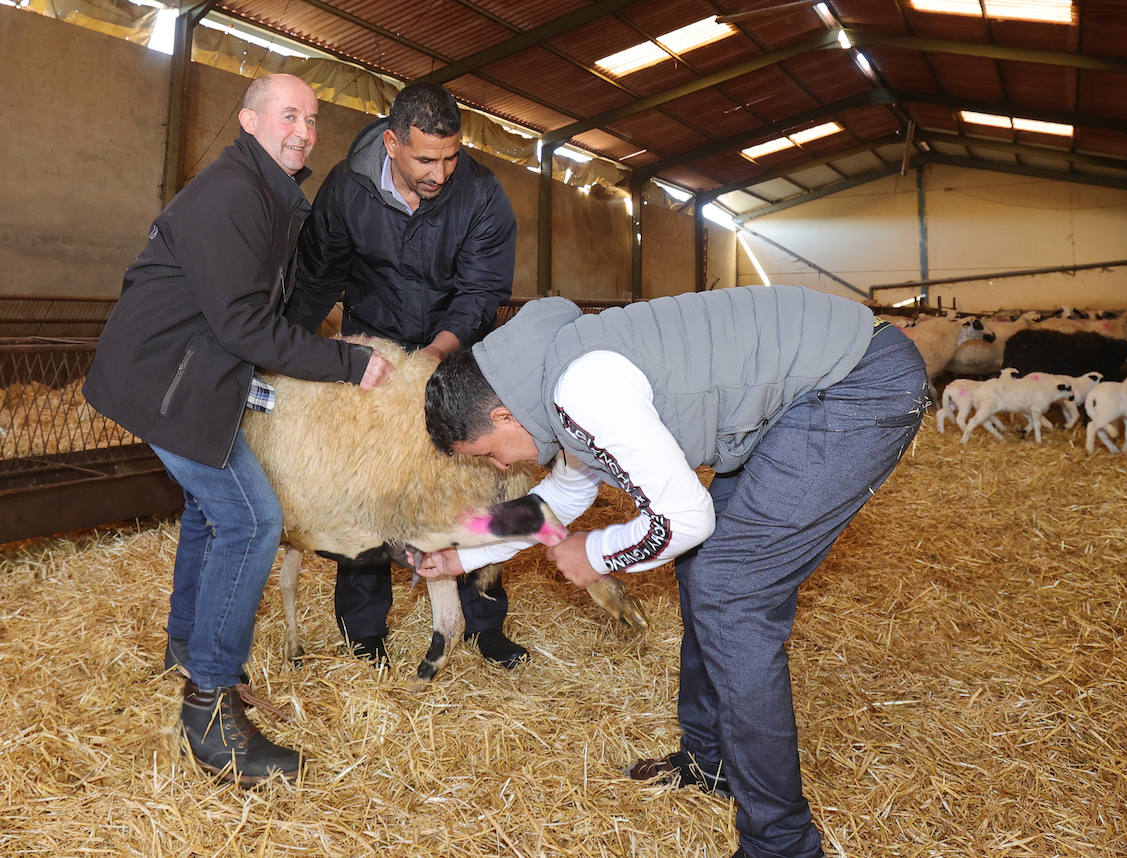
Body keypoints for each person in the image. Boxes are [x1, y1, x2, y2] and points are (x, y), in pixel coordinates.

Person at [417, 285, 927, 858]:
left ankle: (780, 844)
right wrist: (464, 552)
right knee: (707, 573)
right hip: (801, 395)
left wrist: (598, 553)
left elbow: (686, 517)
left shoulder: (584, 389)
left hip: (854, 382)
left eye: (488, 451)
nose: (500, 464)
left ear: (502, 413)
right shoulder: (553, 380)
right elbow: (558, 496)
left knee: (730, 594)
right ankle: (710, 763)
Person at [83, 73, 394, 786]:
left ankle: (187, 653)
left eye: (312, 119)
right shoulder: (234, 195)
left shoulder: (264, 191)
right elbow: (241, 323)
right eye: (289, 115)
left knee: (209, 511)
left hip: (186, 372)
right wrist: (345, 363)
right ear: (251, 121)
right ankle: (210, 711)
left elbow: (247, 312)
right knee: (253, 520)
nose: (304, 131)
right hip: (169, 378)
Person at [284, 82, 524, 669]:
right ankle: (363, 632)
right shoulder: (347, 190)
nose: (440, 172)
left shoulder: (482, 195)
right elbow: (317, 277)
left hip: (457, 353)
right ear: (392, 143)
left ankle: (485, 623)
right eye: (425, 159)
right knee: (367, 485)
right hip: (376, 348)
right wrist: (285, 349)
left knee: (471, 483)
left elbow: (482, 290)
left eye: (450, 157)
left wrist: (437, 356)